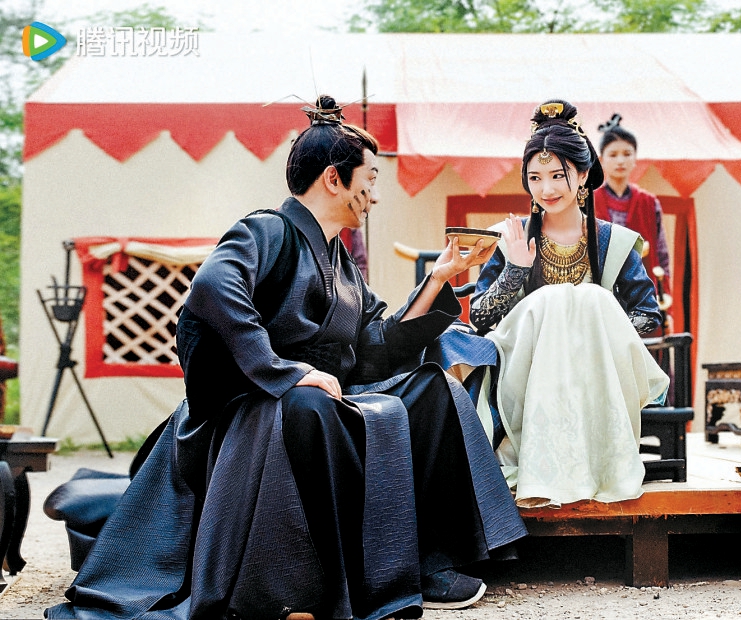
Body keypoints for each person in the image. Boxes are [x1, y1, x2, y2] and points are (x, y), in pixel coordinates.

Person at [46, 96, 526, 620]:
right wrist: (285, 373)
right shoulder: (265, 230)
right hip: (253, 408)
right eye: (370, 179)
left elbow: (376, 347)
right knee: (309, 406)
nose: (375, 195)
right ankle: (334, 583)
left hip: (322, 400)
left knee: (433, 389)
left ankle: (425, 562)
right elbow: (211, 289)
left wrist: (438, 278)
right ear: (333, 179)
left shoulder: (343, 264)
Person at [467, 100, 669, 509]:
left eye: (558, 175)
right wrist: (515, 270)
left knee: (589, 298)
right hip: (525, 369)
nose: (547, 189)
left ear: (582, 176)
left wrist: (593, 327)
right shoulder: (512, 236)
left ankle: (598, 467)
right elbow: (480, 317)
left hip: (595, 369)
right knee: (560, 299)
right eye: (535, 178)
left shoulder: (612, 241)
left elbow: (648, 314)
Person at [594, 114, 672, 295]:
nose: (620, 161)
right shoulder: (589, 202)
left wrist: (664, 293)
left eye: (627, 154)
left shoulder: (649, 203)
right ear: (601, 159)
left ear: (635, 158)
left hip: (642, 291)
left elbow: (661, 255)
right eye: (613, 155)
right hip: (600, 291)